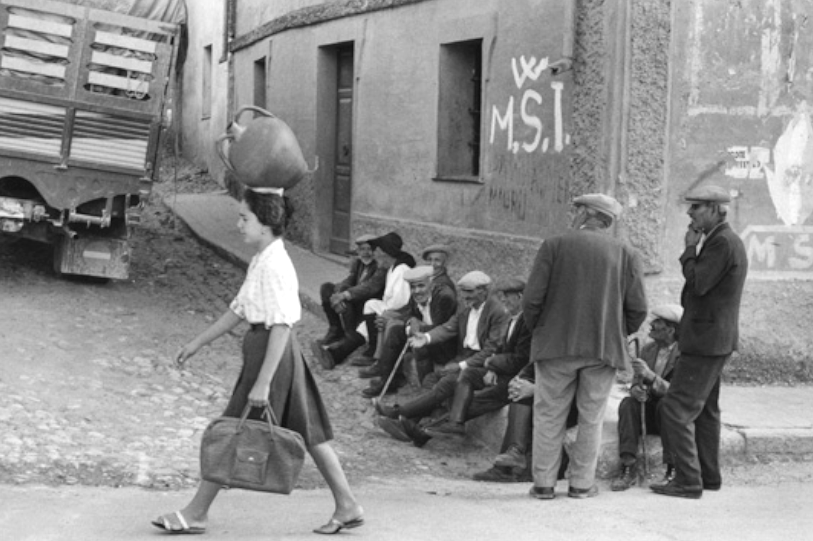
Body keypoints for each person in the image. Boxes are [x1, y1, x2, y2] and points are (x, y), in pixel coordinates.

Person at [151, 189, 363, 535]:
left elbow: (281, 325)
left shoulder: (276, 264)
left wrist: (263, 382)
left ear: (265, 224)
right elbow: (238, 310)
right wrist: (197, 343)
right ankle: (348, 504)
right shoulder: (262, 259)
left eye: (244, 217)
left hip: (273, 354)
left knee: (233, 427)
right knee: (310, 432)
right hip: (269, 351)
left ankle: (196, 512)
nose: (237, 225)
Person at [523, 193, 647, 500]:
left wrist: (540, 329)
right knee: (592, 417)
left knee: (549, 413)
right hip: (602, 348)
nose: (574, 214)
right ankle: (580, 484)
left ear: (588, 214)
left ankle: (544, 484)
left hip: (556, 345)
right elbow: (638, 308)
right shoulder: (625, 253)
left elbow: (532, 299)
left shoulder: (554, 245)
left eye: (577, 209)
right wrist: (616, 332)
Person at [652, 185, 747, 499]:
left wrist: (688, 250)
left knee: (675, 408)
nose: (690, 213)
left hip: (706, 341)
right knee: (705, 411)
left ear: (715, 209)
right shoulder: (722, 239)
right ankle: (708, 476)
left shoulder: (721, 242)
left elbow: (699, 283)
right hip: (713, 339)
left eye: (696, 207)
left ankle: (688, 481)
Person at [373, 271, 508, 445]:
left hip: (483, 364)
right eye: (463, 292)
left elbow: (491, 349)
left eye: (469, 292)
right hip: (465, 357)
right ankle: (409, 424)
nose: (465, 297)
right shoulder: (466, 308)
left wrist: (461, 365)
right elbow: (448, 327)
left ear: (483, 291)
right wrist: (426, 338)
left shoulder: (497, 312)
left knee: (446, 382)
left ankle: (400, 414)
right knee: (431, 378)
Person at [314, 231, 415, 368]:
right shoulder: (390, 267)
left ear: (386, 253)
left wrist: (380, 310)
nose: (374, 254)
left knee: (366, 315)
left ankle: (369, 352)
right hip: (383, 309)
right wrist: (341, 293)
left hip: (397, 314)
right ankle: (333, 354)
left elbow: (399, 302)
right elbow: (350, 280)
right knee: (361, 331)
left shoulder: (400, 270)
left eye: (376, 250)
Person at [610, 304, 683, 491]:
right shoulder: (648, 350)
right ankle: (628, 466)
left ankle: (673, 471)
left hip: (672, 416)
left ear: (670, 329)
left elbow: (679, 393)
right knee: (627, 404)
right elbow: (636, 382)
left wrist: (651, 377)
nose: (651, 325)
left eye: (657, 323)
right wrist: (635, 389)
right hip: (649, 410)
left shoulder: (683, 355)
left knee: (666, 404)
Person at [358, 265, 457, 398]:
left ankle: (425, 393)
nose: (416, 291)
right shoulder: (416, 296)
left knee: (419, 345)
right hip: (421, 335)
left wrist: (415, 327)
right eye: (413, 287)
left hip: (444, 346)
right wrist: (407, 321)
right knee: (395, 330)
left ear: (432, 284)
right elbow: (408, 313)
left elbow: (441, 330)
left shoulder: (444, 297)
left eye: (421, 286)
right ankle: (387, 380)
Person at [472, 363, 578, 483]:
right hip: (545, 398)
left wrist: (536, 390)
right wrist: (518, 380)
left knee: (526, 397)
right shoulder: (547, 349)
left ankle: (512, 462)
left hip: (569, 405)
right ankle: (514, 454)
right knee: (520, 390)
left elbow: (578, 391)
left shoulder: (577, 354)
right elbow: (531, 367)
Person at [315, 233, 386, 349]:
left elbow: (369, 287)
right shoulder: (359, 263)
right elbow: (350, 279)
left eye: (369, 249)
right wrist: (339, 292)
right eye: (363, 249)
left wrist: (344, 295)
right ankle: (335, 330)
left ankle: (349, 337)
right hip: (356, 297)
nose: (366, 253)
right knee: (326, 288)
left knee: (347, 299)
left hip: (367, 303)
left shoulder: (379, 266)